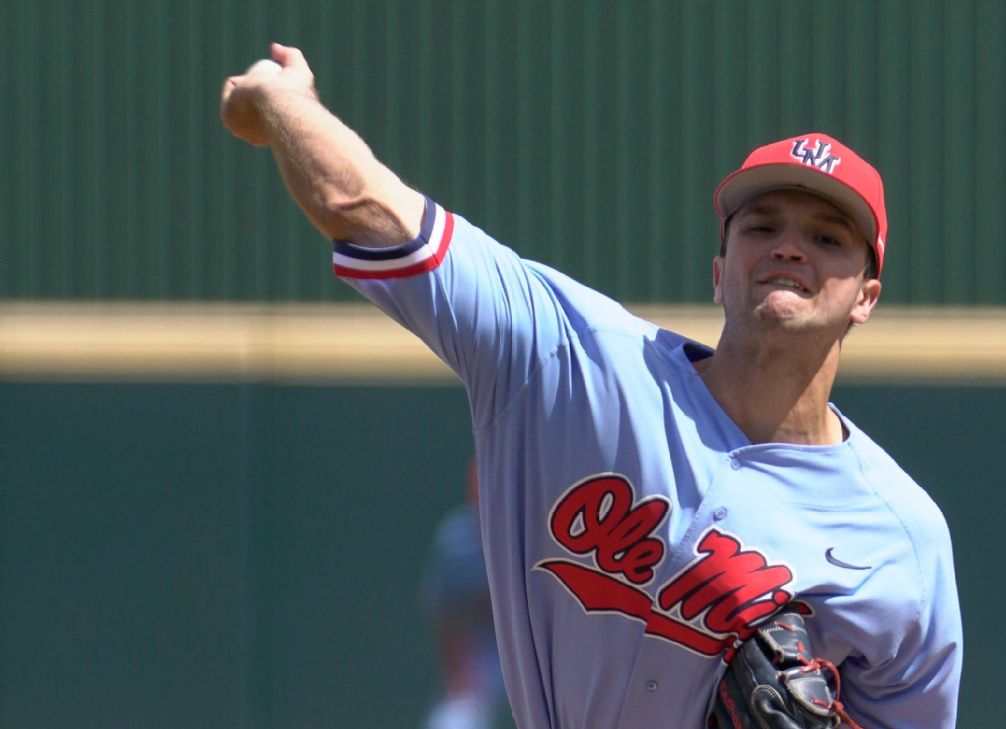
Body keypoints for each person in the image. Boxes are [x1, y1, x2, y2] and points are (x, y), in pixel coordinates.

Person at [221, 43, 962, 729]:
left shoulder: (901, 539)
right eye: (761, 226)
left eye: (828, 238)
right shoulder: (571, 360)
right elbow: (369, 210)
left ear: (866, 294)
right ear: (719, 269)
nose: (790, 246)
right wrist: (284, 99)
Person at [420, 460, 510, 729]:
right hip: (486, 657)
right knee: (451, 722)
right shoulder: (456, 544)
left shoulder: (535, 537)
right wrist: (459, 676)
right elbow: (447, 621)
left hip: (538, 653)